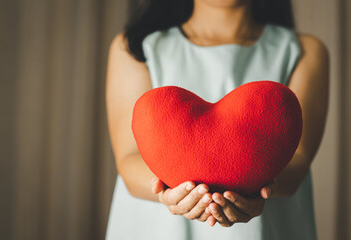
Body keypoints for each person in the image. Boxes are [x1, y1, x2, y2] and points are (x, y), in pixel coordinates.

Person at [105, 0, 329, 239]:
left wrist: (251, 187)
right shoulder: (136, 47)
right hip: (159, 229)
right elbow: (128, 159)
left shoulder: (304, 50)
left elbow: (298, 160)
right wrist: (171, 193)